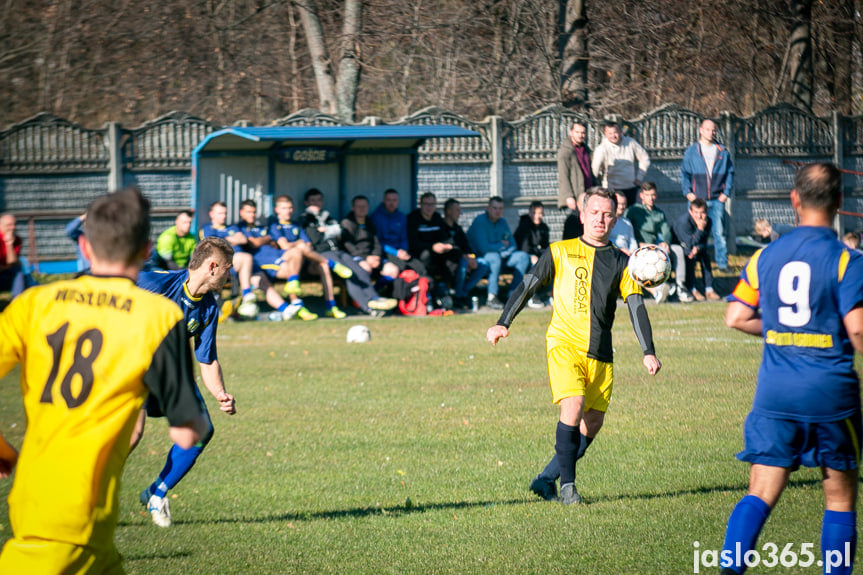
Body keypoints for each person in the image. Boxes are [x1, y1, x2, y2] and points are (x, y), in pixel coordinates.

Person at [0, 187, 207, 572]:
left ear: (85, 246)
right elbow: (187, 432)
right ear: (147, 250)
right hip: (68, 524)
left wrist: (6, 452)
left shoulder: (34, 303)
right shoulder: (158, 317)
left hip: (54, 511)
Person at [720, 162, 863, 575]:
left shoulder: (765, 255)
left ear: (794, 200)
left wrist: (783, 329)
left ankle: (729, 570)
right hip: (830, 394)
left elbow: (735, 316)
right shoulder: (846, 260)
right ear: (839, 202)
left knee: (760, 492)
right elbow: (857, 331)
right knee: (838, 499)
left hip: (775, 394)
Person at [486, 188, 661, 505]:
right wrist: (503, 321)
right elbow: (527, 286)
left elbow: (636, 306)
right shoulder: (559, 251)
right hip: (564, 344)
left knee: (592, 423)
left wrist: (648, 350)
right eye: (594, 212)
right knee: (574, 404)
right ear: (582, 215)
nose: (600, 219)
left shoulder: (623, 262)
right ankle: (569, 489)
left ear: (615, 217)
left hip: (601, 353)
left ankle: (544, 480)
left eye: (607, 213)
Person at [133, 236, 238, 528]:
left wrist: (220, 393)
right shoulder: (157, 284)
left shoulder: (208, 307)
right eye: (229, 268)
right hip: (134, 367)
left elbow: (206, 359)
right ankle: (85, 495)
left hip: (171, 372)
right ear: (213, 266)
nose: (231, 274)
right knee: (131, 435)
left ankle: (157, 492)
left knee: (201, 430)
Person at [300, 188, 397, 317]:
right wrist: (330, 231)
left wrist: (326, 231)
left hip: (338, 251)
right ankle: (367, 307)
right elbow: (316, 239)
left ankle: (374, 298)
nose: (316, 203)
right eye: (313, 201)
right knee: (349, 274)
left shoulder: (327, 216)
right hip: (322, 254)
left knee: (359, 270)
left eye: (319, 200)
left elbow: (340, 232)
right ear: (306, 203)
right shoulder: (306, 218)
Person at [234, 199, 318, 320]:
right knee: (271, 277)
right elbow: (254, 243)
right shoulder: (239, 227)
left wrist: (265, 239)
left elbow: (270, 241)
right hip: (263, 262)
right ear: (241, 213)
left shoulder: (261, 227)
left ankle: (294, 303)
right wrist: (266, 239)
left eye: (253, 212)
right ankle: (294, 306)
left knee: (296, 253)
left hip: (277, 255)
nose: (252, 215)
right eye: (248, 212)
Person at [270, 195, 349, 319]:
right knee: (297, 254)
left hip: (305, 260)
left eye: (290, 208)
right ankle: (298, 307)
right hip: (283, 263)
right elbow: (284, 245)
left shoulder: (297, 225)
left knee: (322, 266)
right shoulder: (274, 225)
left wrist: (300, 245)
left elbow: (308, 245)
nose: (288, 211)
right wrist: (298, 244)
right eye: (284, 208)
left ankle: (331, 306)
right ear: (277, 210)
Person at [681, 118, 734, 272]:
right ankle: (692, 263)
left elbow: (730, 173)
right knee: (695, 232)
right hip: (697, 201)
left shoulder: (722, 151)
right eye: (708, 129)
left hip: (717, 200)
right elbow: (684, 174)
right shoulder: (691, 151)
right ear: (701, 130)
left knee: (719, 233)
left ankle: (722, 264)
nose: (711, 133)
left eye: (713, 130)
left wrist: (726, 193)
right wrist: (688, 193)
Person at [467, 196, 530, 309]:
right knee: (494, 257)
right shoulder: (480, 221)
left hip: (502, 256)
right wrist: (501, 246)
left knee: (522, 256)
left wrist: (501, 251)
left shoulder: (503, 221)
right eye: (495, 208)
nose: (498, 211)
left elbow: (512, 245)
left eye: (500, 208)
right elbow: (483, 248)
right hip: (481, 258)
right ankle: (492, 297)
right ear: (488, 208)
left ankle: (513, 295)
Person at [407, 192, 462, 306]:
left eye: (432, 204)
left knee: (456, 253)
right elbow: (413, 243)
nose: (429, 207)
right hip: (420, 255)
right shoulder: (413, 218)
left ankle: (445, 285)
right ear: (420, 205)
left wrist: (447, 246)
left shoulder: (437, 218)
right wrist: (432, 247)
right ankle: (431, 287)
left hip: (438, 254)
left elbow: (446, 237)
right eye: (426, 204)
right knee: (426, 254)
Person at [624, 182, 674, 303]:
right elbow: (627, 230)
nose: (651, 198)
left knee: (676, 250)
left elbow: (666, 230)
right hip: (637, 247)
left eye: (653, 195)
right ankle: (658, 289)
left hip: (654, 247)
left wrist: (665, 242)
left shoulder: (659, 213)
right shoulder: (633, 211)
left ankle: (678, 287)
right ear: (641, 195)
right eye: (647, 195)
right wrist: (638, 244)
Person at [441, 198, 490, 310]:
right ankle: (459, 296)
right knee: (462, 264)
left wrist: (471, 258)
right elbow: (450, 249)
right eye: (457, 210)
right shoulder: (441, 227)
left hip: (464, 259)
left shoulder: (457, 228)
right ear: (448, 211)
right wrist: (465, 258)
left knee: (483, 264)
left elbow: (466, 247)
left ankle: (464, 292)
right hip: (450, 263)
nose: (460, 213)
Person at [670, 198, 719, 302]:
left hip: (695, 247)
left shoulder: (708, 221)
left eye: (702, 212)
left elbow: (704, 241)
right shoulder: (683, 222)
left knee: (705, 255)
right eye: (696, 212)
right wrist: (700, 229)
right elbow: (688, 243)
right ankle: (691, 288)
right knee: (690, 256)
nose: (699, 216)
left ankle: (709, 288)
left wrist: (698, 247)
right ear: (690, 211)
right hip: (678, 246)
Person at [591, 121, 651, 207]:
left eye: (615, 132)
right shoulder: (601, 148)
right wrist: (598, 182)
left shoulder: (630, 143)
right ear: (605, 134)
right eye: (610, 133)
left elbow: (645, 158)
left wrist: (639, 177)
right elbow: (595, 168)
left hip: (630, 187)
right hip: (611, 189)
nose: (613, 136)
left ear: (620, 131)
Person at [370, 188, 427, 277]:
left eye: (394, 200)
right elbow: (378, 242)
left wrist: (403, 250)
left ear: (398, 202)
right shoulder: (376, 217)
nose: (391, 203)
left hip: (401, 251)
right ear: (383, 201)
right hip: (385, 252)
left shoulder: (401, 217)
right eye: (389, 200)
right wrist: (395, 252)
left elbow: (403, 237)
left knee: (419, 267)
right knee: (402, 267)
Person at [514, 200, 551, 308]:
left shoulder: (544, 228)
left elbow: (545, 246)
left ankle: (549, 294)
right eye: (535, 213)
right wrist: (533, 256)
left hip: (538, 256)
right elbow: (524, 248)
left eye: (540, 213)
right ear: (530, 213)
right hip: (524, 257)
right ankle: (532, 296)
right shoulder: (524, 227)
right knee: (535, 264)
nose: (538, 216)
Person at [557, 122, 594, 211]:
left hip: (588, 193)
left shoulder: (586, 149)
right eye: (577, 132)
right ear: (571, 132)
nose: (580, 135)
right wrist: (568, 196)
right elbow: (563, 175)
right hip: (575, 196)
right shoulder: (565, 151)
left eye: (583, 133)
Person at [0, 213, 37, 299]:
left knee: (18, 271)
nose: (13, 227)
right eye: (9, 225)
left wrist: (9, 244)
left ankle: (17, 301)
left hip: (5, 274)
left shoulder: (16, 240)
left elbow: (12, 262)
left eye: (15, 224)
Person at [608, 191, 638, 256]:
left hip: (627, 256)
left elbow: (632, 242)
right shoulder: (608, 220)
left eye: (624, 204)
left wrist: (632, 252)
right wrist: (619, 250)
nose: (621, 207)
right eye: (619, 204)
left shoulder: (627, 222)